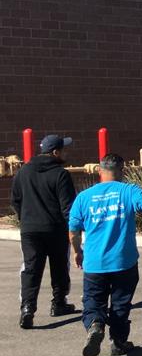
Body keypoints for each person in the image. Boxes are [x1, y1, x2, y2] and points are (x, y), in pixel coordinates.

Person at [68, 153, 142, 356]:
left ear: (99, 170)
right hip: (124, 261)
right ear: (122, 170)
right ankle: (118, 341)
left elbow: (73, 231)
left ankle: (95, 324)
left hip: (95, 263)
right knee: (121, 303)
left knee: (93, 301)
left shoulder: (84, 197)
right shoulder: (129, 190)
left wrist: (77, 251)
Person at [12, 134, 77, 329]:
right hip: (55, 229)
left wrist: (26, 219)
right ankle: (58, 304)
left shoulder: (23, 172)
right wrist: (74, 231)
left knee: (31, 268)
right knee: (59, 266)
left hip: (30, 230)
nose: (66, 152)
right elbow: (68, 207)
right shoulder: (61, 174)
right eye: (63, 149)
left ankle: (27, 308)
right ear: (55, 152)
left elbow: (16, 201)